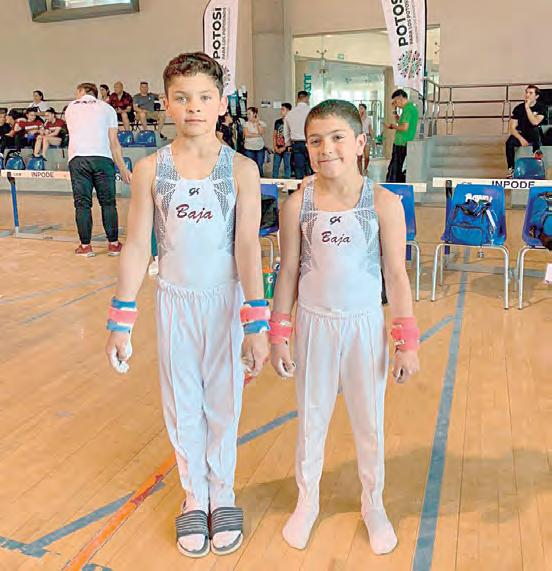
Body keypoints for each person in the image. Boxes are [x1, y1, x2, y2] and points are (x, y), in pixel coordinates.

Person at [104, 52, 269, 559]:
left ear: (221, 103)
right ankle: (194, 495)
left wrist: (256, 321)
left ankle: (223, 493)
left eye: (203, 97)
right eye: (182, 98)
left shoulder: (241, 169)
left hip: (225, 301)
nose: (193, 107)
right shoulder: (150, 169)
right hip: (175, 300)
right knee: (182, 404)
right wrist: (121, 319)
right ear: (166, 104)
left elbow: (247, 246)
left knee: (223, 403)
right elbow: (138, 244)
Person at [269, 99, 420, 554]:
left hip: (363, 326)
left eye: (337, 138)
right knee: (311, 419)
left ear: (359, 143)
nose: (326, 149)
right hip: (314, 325)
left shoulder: (384, 204)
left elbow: (396, 275)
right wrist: (279, 332)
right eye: (315, 140)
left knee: (369, 422)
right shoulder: (297, 205)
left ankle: (373, 503)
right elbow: (288, 271)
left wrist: (406, 341)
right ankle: (308, 500)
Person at [65, 82, 131, 257]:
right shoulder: (107, 108)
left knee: (82, 204)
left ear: (82, 91)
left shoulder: (70, 108)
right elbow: (114, 142)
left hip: (78, 159)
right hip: (103, 158)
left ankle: (85, 247)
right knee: (108, 203)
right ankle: (114, 245)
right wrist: (123, 168)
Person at [505, 84, 545, 177]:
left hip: (535, 134)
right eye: (526, 92)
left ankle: (536, 151)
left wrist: (527, 107)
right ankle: (511, 168)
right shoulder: (518, 108)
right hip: (522, 134)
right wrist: (520, 139)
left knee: (534, 128)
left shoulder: (541, 107)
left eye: (530, 93)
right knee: (509, 142)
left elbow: (534, 122)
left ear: (536, 96)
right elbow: (512, 127)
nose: (527, 95)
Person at [384, 89, 419, 183]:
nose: (396, 103)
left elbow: (404, 127)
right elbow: (400, 122)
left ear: (400, 97)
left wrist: (391, 126)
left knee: (394, 169)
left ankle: (392, 187)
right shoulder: (410, 108)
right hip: (403, 142)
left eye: (396, 101)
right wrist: (394, 110)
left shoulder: (408, 109)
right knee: (395, 167)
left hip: (401, 142)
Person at [285, 91, 311, 179]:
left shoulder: (290, 113)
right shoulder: (311, 112)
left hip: (296, 143)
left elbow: (286, 131)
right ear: (306, 98)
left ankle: (300, 185)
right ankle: (312, 185)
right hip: (310, 142)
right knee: (312, 166)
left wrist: (288, 144)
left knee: (299, 168)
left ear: (298, 98)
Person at [243, 106, 266, 176]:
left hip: (259, 148)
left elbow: (261, 132)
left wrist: (257, 123)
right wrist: (257, 135)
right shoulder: (246, 124)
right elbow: (247, 134)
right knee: (250, 166)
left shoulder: (261, 123)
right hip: (249, 148)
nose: (247, 115)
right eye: (247, 114)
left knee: (259, 165)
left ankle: (261, 179)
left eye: (249, 114)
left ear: (254, 114)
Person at [273, 102, 292, 179]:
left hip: (287, 148)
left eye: (283, 109)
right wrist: (275, 147)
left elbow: (291, 136)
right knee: (275, 166)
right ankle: (274, 182)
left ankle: (287, 183)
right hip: (278, 147)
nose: (281, 111)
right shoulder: (277, 122)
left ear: (288, 111)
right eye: (281, 109)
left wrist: (284, 148)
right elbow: (274, 135)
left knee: (287, 166)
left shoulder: (291, 122)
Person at [358, 103, 373, 174]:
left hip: (367, 137)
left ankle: (365, 169)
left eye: (361, 108)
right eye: (359, 108)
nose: (360, 110)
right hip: (359, 137)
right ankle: (360, 171)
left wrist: (373, 139)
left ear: (365, 109)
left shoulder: (369, 119)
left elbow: (370, 129)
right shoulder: (357, 119)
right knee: (359, 156)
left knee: (367, 156)